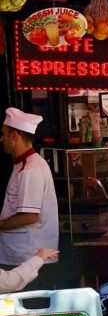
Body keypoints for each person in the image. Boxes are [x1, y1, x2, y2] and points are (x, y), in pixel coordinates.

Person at [1, 108, 59, 285]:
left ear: (14, 135)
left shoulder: (31, 169)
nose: (1, 139)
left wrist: (0, 225)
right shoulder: (21, 165)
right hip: (21, 257)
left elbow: (29, 215)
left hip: (30, 260)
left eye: (3, 134)